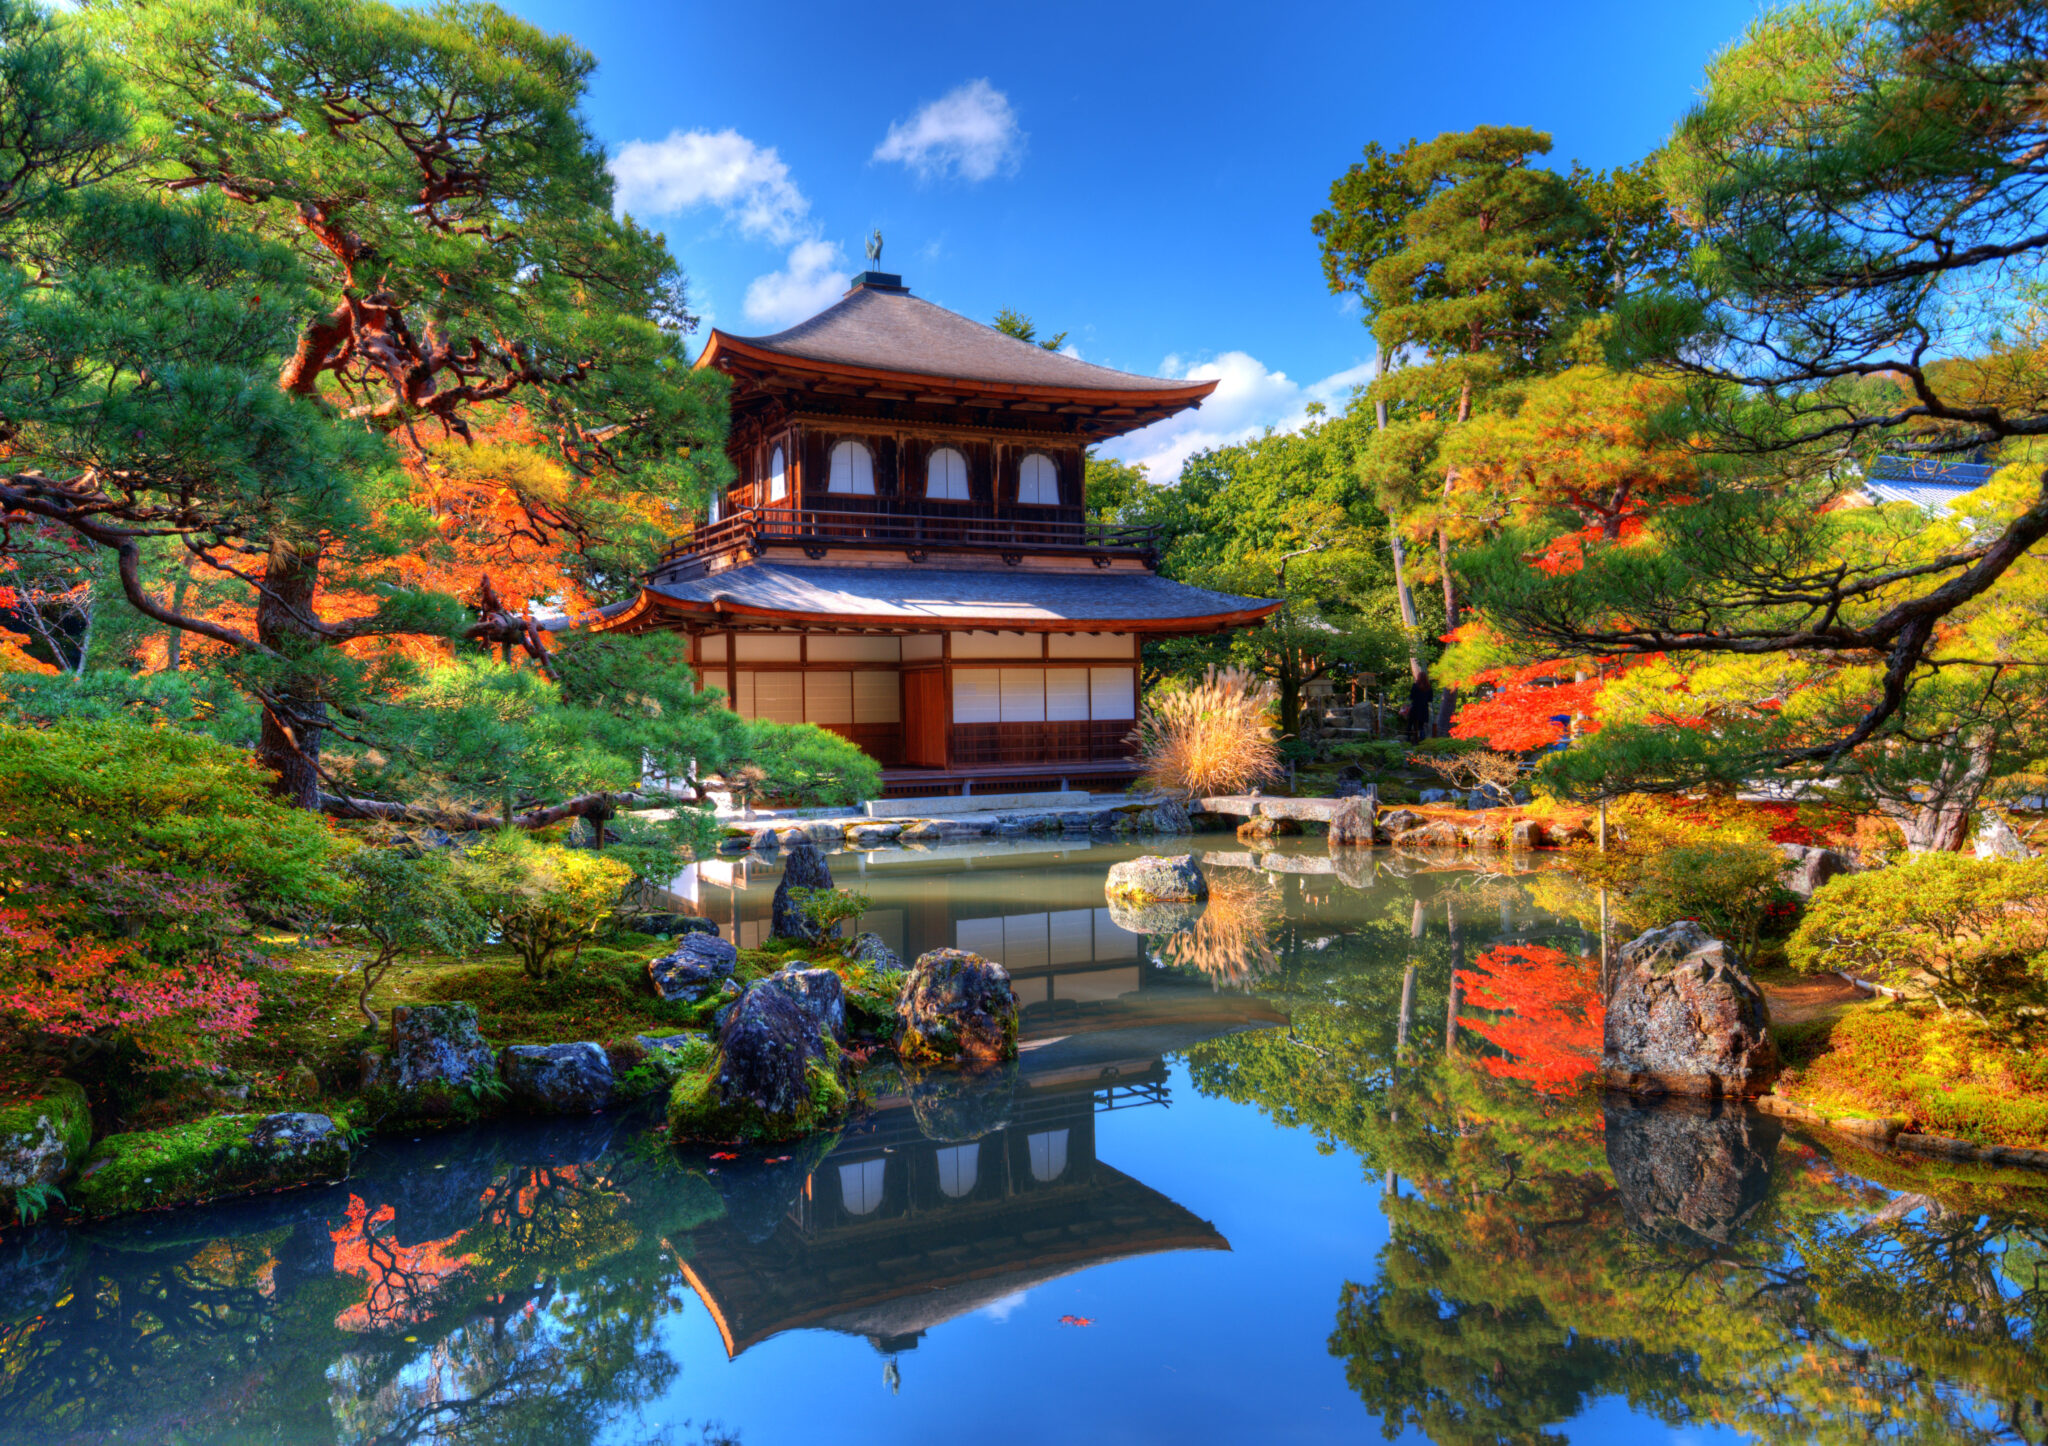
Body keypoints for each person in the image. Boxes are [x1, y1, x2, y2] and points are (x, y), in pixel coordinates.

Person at [1405, 670, 1434, 743]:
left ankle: (1408, 739)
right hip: (1424, 709)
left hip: (1415, 707)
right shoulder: (1429, 687)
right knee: (1421, 726)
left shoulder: (1415, 686)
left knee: (1411, 723)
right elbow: (1430, 699)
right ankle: (1422, 740)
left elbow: (1411, 697)